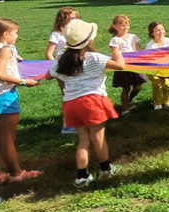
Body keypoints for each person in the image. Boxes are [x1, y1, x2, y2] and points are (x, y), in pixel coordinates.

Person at [46, 19, 125, 187]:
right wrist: (117, 51)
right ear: (90, 40)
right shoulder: (95, 58)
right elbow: (120, 66)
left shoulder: (62, 61)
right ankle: (106, 169)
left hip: (71, 103)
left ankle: (82, 176)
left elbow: (48, 75)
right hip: (91, 102)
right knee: (98, 137)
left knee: (83, 140)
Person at [0, 18, 43, 186]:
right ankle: (16, 173)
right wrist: (23, 81)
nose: (17, 36)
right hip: (5, 95)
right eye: (15, 33)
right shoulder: (5, 49)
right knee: (7, 138)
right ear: (5, 34)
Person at [47, 6, 80, 135]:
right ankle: (67, 124)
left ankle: (79, 121)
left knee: (79, 94)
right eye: (71, 17)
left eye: (76, 17)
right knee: (67, 95)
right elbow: (49, 53)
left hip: (77, 65)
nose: (74, 20)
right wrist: (56, 69)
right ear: (62, 19)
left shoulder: (77, 32)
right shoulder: (56, 34)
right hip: (63, 68)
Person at [108, 15, 145, 114]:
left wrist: (141, 59)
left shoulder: (133, 37)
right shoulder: (115, 40)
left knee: (138, 86)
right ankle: (124, 108)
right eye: (122, 25)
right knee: (126, 87)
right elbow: (115, 53)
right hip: (123, 66)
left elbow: (138, 49)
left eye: (127, 25)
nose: (126, 27)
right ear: (115, 26)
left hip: (135, 65)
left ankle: (128, 101)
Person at [145, 21, 169, 110]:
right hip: (153, 69)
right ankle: (157, 103)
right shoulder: (151, 45)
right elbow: (151, 59)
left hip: (166, 68)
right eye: (157, 30)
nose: (161, 32)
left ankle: (168, 102)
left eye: (162, 29)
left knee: (167, 85)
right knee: (156, 84)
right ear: (152, 33)